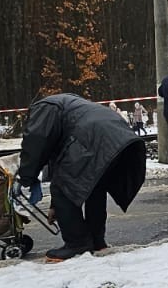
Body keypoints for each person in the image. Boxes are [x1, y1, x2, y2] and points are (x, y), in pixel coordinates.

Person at [15, 94, 146, 261]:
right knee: (94, 187)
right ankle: (97, 241)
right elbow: (59, 160)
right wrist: (56, 206)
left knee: (62, 187)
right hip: (119, 136)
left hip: (93, 136)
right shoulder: (69, 105)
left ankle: (77, 244)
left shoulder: (43, 108)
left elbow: (35, 144)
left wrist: (25, 177)